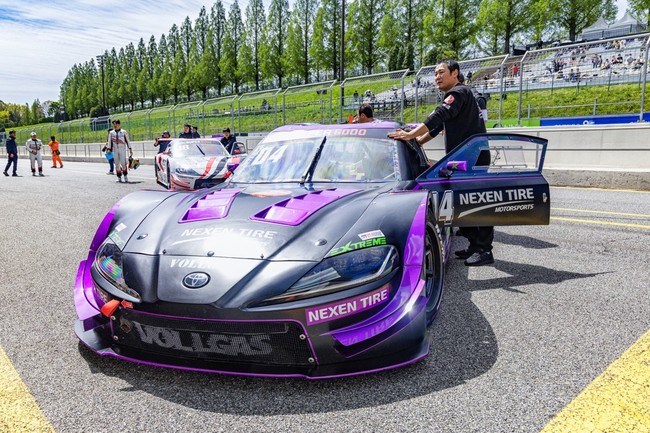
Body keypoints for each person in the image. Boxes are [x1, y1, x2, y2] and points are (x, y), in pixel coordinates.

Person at [388, 60, 494, 267]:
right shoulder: (458, 96)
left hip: (472, 158)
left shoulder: (459, 93)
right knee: (460, 201)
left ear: (455, 73)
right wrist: (416, 142)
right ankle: (475, 245)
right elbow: (436, 128)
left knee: (476, 202)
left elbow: (439, 115)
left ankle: (484, 250)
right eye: (435, 73)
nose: (437, 77)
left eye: (441, 72)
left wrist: (410, 134)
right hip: (462, 159)